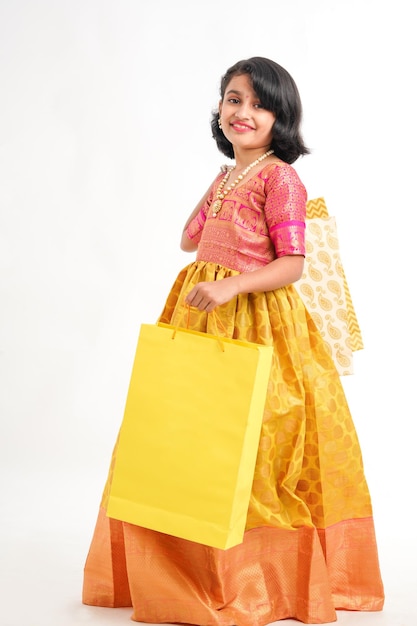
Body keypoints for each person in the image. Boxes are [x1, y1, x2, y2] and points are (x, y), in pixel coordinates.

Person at [82, 56, 384, 625]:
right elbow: (187, 240)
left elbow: (292, 264)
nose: (243, 112)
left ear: (281, 118)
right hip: (202, 315)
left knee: (254, 443)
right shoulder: (229, 176)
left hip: (256, 320)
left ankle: (260, 579)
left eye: (258, 104)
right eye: (233, 100)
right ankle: (189, 566)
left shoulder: (281, 178)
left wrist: (232, 288)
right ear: (219, 108)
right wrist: (221, 179)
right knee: (191, 441)